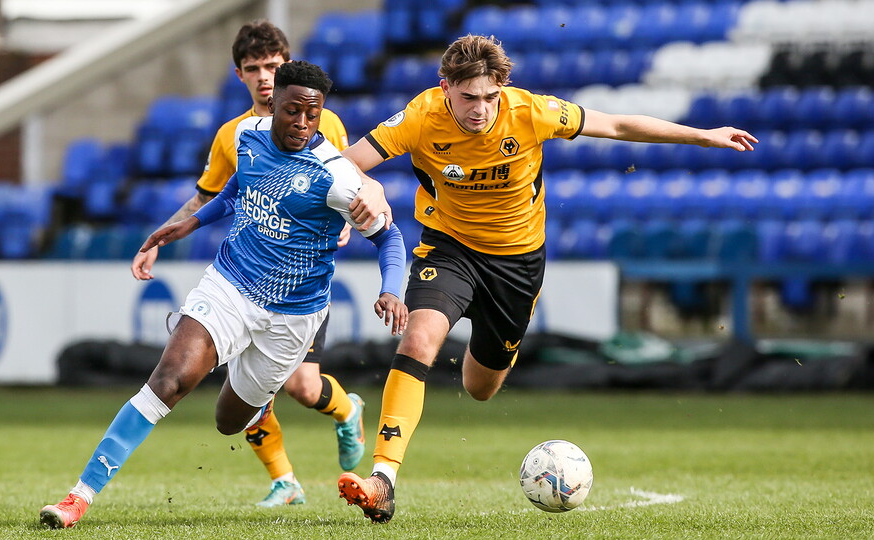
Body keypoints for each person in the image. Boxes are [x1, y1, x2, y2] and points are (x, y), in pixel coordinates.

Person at [337, 34, 759, 523]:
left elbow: (617, 124)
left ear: (503, 89)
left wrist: (703, 135)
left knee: (480, 387)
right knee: (418, 341)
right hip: (449, 248)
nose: (480, 109)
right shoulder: (420, 117)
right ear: (445, 86)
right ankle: (383, 480)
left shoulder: (531, 112)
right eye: (468, 97)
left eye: (490, 97)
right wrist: (366, 195)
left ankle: (487, 348)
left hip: (517, 265)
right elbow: (348, 164)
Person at [40, 60, 408, 529]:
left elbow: (389, 238)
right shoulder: (246, 136)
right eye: (292, 111)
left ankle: (338, 404)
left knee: (229, 421)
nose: (301, 123)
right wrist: (189, 223)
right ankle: (78, 497)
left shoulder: (336, 176)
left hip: (292, 317)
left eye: (311, 115)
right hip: (229, 285)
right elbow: (238, 187)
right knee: (169, 381)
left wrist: (391, 290)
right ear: (272, 103)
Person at [132, 20, 387, 508]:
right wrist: (158, 239)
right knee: (240, 383)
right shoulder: (234, 135)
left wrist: (368, 205)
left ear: (287, 64)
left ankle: (346, 410)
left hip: (299, 284)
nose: (265, 77)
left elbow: (352, 179)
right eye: (255, 69)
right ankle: (284, 479)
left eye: (273, 66)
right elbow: (210, 196)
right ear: (240, 75)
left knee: (302, 386)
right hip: (245, 280)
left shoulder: (320, 120)